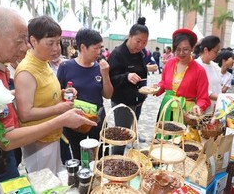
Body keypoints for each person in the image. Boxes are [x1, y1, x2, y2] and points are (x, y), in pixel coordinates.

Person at [0, 6, 96, 194]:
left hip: (4, 160)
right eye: (19, 41)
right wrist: (62, 117)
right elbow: (6, 139)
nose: (25, 47)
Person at [14, 15, 81, 175]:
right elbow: (25, 114)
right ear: (33, 41)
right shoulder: (27, 71)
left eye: (58, 42)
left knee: (54, 181)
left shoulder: (43, 63)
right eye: (50, 43)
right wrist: (59, 108)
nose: (56, 48)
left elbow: (43, 94)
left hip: (51, 135)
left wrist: (63, 93)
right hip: (39, 142)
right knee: (44, 184)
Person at [57, 28, 113, 162]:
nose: (99, 52)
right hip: (75, 120)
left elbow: (108, 95)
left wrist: (105, 75)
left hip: (97, 119)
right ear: (83, 47)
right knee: (78, 155)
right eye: (96, 48)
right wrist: (66, 93)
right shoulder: (66, 67)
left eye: (100, 48)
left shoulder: (100, 67)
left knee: (101, 155)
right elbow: (58, 95)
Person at [108, 17, 150, 155]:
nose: (141, 45)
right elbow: (110, 79)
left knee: (131, 127)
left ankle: (130, 143)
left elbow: (142, 72)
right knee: (121, 134)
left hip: (137, 98)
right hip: (122, 100)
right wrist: (126, 76)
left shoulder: (140, 53)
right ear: (129, 36)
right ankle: (116, 159)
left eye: (144, 42)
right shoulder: (117, 54)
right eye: (138, 41)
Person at [154, 29, 210, 130]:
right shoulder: (170, 63)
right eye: (178, 49)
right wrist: (158, 87)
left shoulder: (199, 70)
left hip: (186, 113)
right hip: (167, 108)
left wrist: (199, 106)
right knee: (164, 140)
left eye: (185, 49)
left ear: (192, 48)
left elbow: (203, 98)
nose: (181, 53)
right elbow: (163, 82)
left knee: (181, 142)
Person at [195, 35, 221, 113]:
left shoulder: (215, 66)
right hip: (200, 109)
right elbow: (201, 90)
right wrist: (221, 98)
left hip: (214, 108)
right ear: (206, 50)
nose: (217, 54)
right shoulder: (195, 65)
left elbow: (218, 86)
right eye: (215, 51)